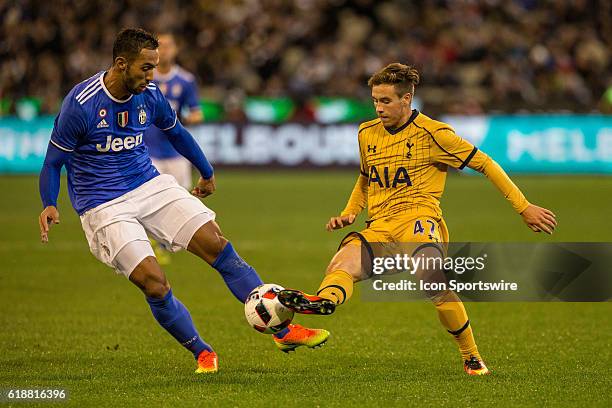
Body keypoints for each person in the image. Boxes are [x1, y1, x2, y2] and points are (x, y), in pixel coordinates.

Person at [38, 28, 328, 375]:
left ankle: (281, 330)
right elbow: (53, 162)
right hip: (102, 205)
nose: (152, 76)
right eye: (146, 68)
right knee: (155, 282)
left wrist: (206, 171)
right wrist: (49, 202)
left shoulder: (150, 94)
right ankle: (202, 351)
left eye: (155, 67)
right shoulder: (81, 104)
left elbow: (176, 132)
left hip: (148, 184)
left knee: (217, 245)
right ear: (120, 64)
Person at [278, 63, 557, 376]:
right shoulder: (366, 133)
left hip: (419, 221)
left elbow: (486, 164)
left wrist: (523, 207)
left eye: (386, 101)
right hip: (379, 227)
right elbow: (365, 178)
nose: (379, 108)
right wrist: (350, 212)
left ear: (406, 99)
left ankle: (471, 355)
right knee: (341, 264)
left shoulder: (434, 134)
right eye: (375, 100)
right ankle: (324, 301)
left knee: (433, 281)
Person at [143, 32, 203, 264]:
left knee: (181, 198)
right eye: (161, 47)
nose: (165, 51)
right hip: (148, 150)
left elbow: (196, 112)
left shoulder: (186, 80)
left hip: (177, 152)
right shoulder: (145, 77)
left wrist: (180, 121)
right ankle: (155, 244)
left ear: (176, 50)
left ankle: (169, 240)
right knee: (149, 197)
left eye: (169, 46)